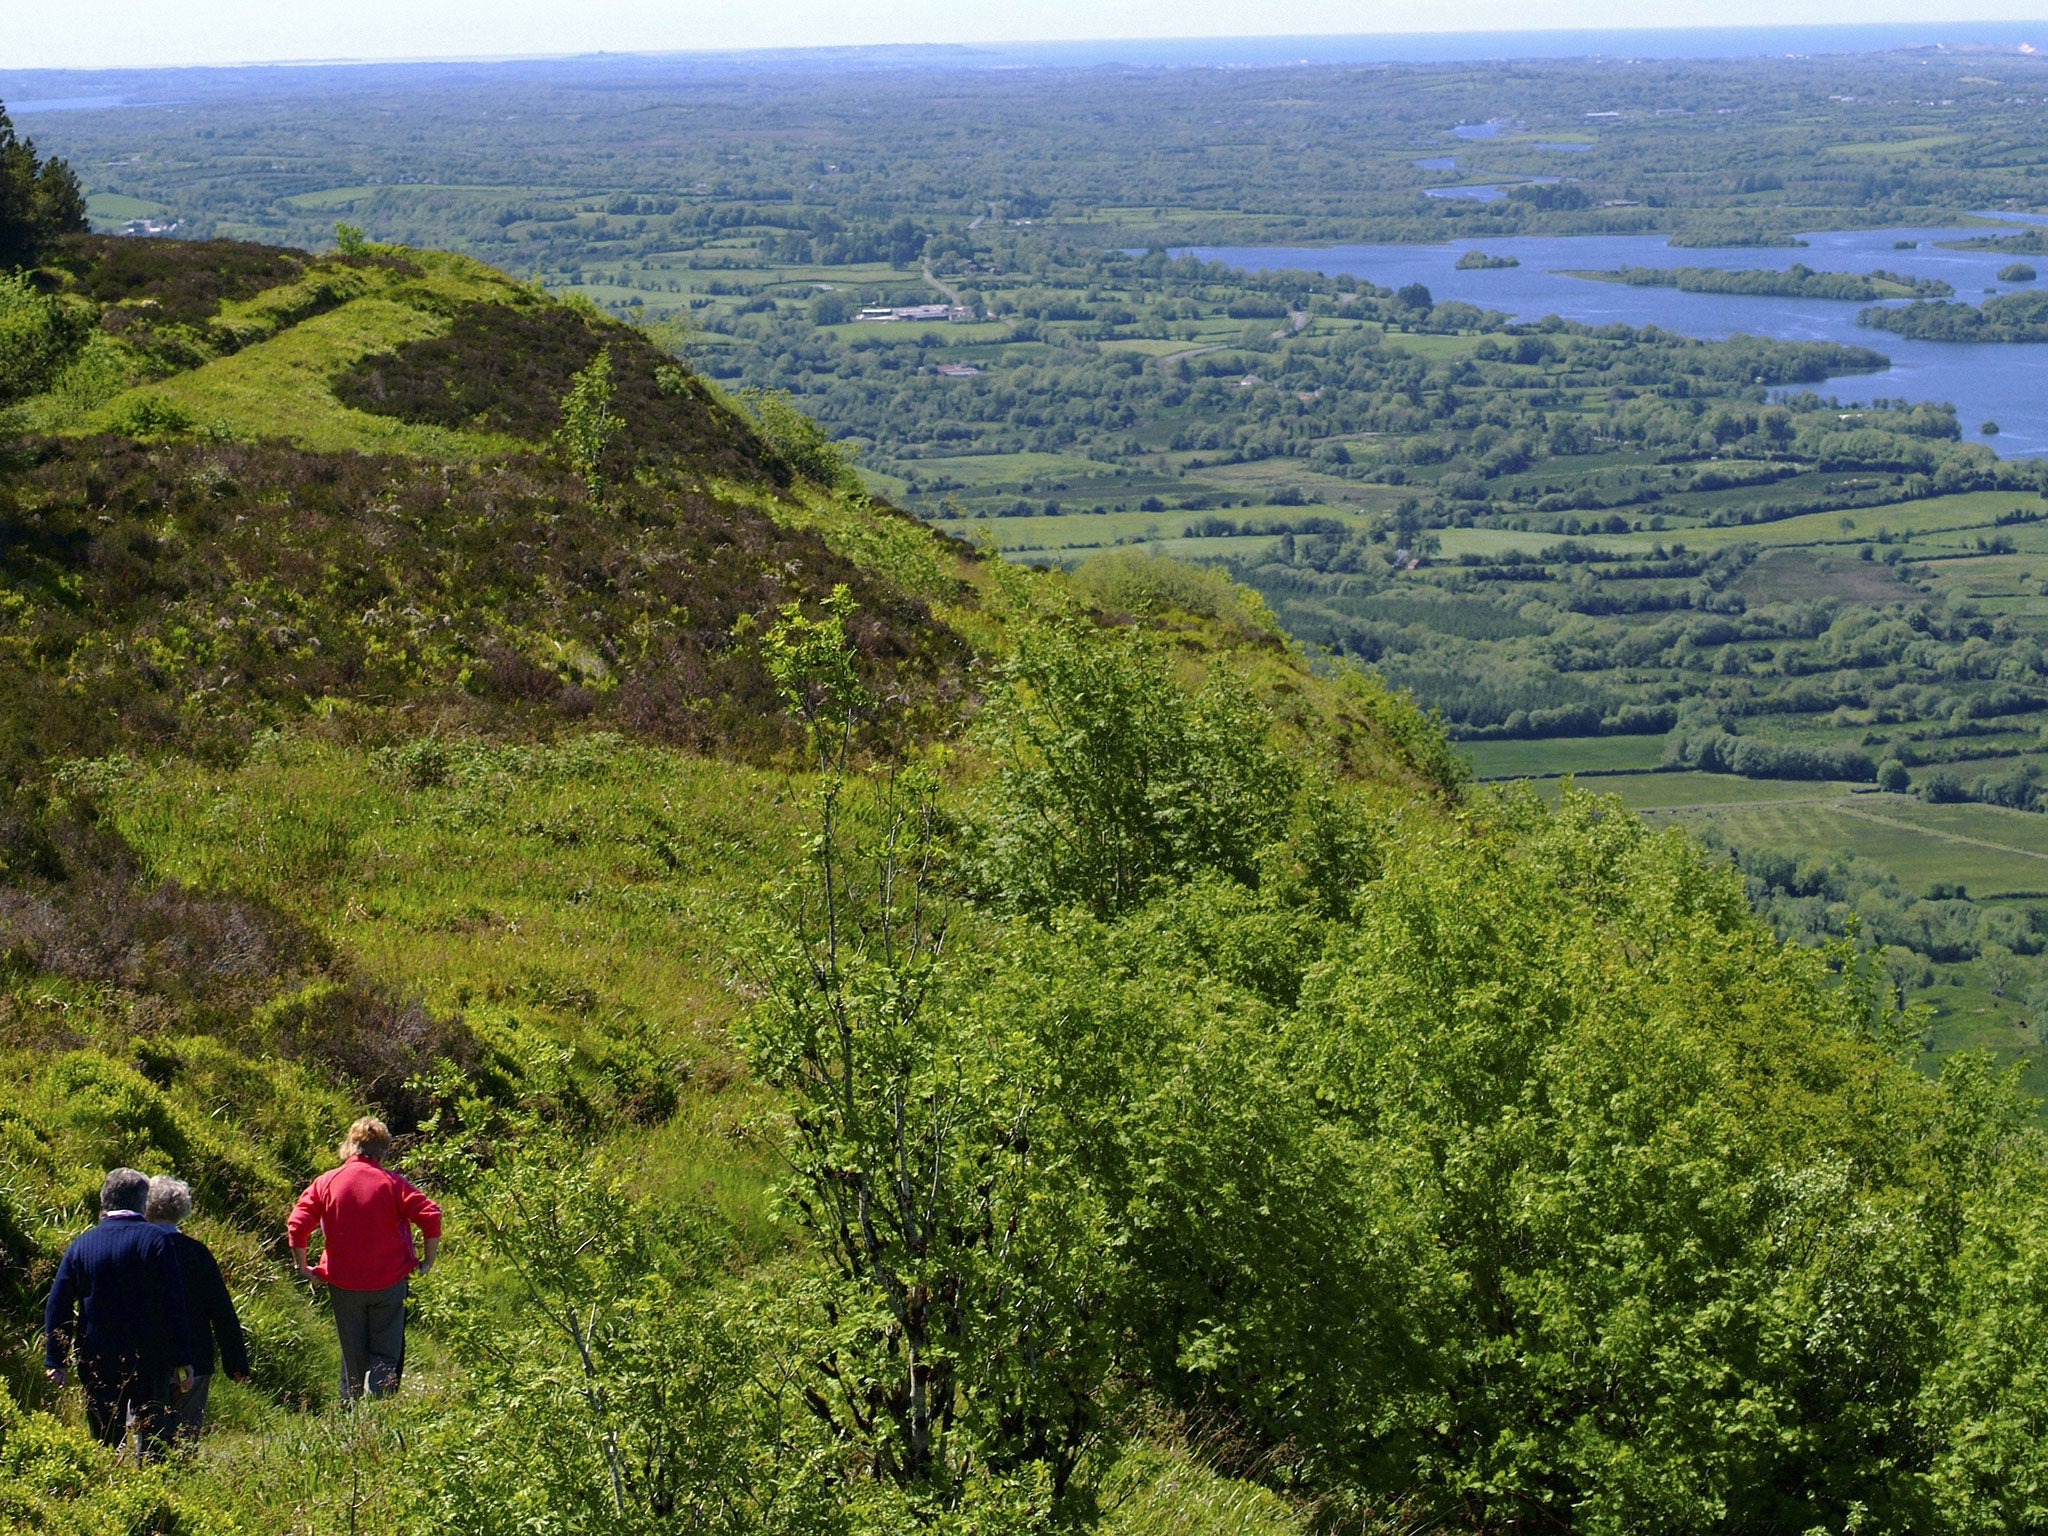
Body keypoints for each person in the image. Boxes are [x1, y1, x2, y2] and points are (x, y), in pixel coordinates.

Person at [287, 1117, 442, 1402]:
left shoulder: (327, 1182)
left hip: (344, 1284)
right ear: (383, 1151)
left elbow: (297, 1223)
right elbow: (431, 1215)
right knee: (386, 1353)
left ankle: (352, 1412)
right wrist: (427, 1261)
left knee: (352, 1354)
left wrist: (302, 1265)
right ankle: (379, 1412)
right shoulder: (393, 1183)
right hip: (390, 1282)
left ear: (350, 1146)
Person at [43, 1168, 195, 1459]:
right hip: (149, 1357)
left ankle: (101, 1487)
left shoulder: (82, 1244)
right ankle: (151, 1493)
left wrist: (56, 1359)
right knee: (153, 1439)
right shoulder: (156, 1241)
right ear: (143, 1203)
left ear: (104, 1200)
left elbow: (57, 1303)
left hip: (96, 1356)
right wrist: (182, 1359)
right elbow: (172, 1305)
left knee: (103, 1438)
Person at [145, 1176, 251, 1442]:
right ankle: (183, 1479)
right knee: (186, 1434)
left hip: (149, 1357)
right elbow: (222, 1309)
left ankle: (145, 1477)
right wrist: (235, 1361)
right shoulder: (197, 1252)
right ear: (182, 1209)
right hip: (196, 1356)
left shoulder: (139, 1249)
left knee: (147, 1430)